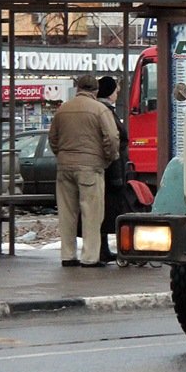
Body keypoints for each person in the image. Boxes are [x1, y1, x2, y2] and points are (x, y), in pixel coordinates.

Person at [48, 74, 118, 268]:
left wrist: (62, 155)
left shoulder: (62, 109)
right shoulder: (100, 110)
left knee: (67, 213)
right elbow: (112, 138)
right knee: (92, 213)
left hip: (65, 167)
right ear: (95, 91)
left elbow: (52, 138)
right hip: (90, 167)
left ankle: (68, 255)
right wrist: (109, 157)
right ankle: (89, 257)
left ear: (78, 88)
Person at [95, 75, 130, 263]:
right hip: (111, 169)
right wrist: (117, 173)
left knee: (106, 209)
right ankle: (102, 250)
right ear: (109, 91)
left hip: (109, 168)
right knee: (108, 209)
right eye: (116, 89)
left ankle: (104, 248)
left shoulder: (106, 110)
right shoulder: (105, 112)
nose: (118, 92)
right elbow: (113, 142)